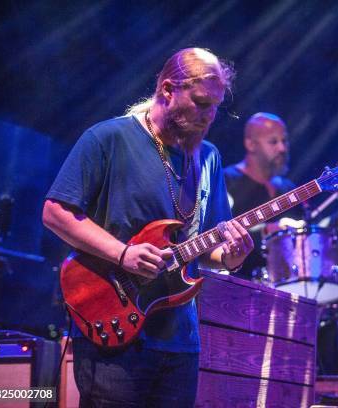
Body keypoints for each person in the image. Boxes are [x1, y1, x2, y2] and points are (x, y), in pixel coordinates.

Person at [43, 48, 253, 407]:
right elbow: (55, 212)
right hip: (113, 326)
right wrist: (123, 254)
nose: (209, 116)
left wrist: (232, 256)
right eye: (201, 102)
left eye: (216, 106)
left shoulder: (210, 158)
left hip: (180, 338)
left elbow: (208, 249)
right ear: (168, 90)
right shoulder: (108, 138)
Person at [224, 112, 302, 279]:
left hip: (285, 288)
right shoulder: (226, 181)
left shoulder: (288, 189)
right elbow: (214, 236)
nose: (282, 148)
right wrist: (267, 231)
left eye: (284, 141)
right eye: (273, 142)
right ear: (250, 144)